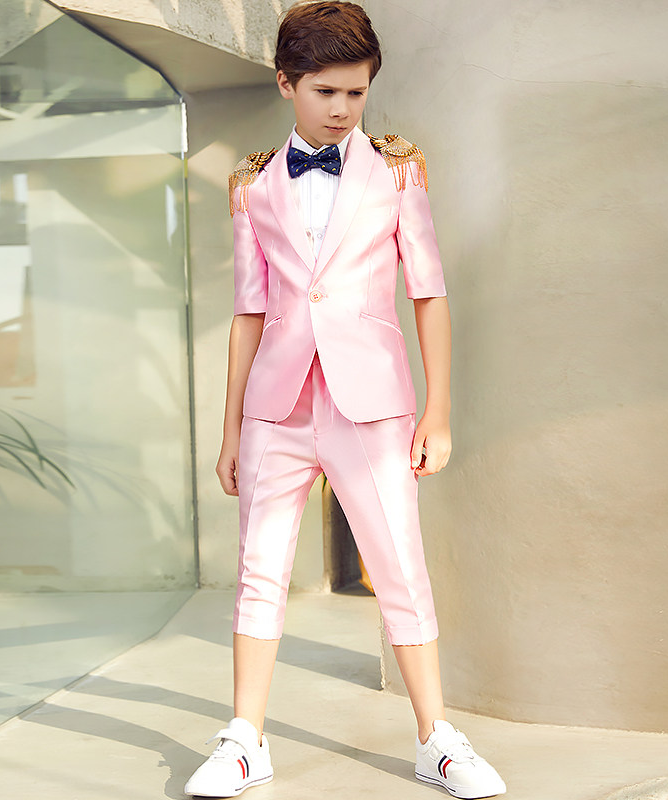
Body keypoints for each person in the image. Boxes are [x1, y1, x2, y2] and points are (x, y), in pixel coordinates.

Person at [185, 2, 507, 798]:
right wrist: (230, 431)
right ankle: (245, 740)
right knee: (259, 570)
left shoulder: (397, 172)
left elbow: (428, 294)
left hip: (372, 404)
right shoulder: (252, 186)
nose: (341, 108)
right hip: (276, 408)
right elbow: (248, 316)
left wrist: (437, 410)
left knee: (399, 566)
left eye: (356, 93)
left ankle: (436, 739)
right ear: (285, 82)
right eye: (324, 91)